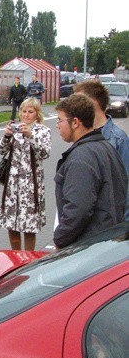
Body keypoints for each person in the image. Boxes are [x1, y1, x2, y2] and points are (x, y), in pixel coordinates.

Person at [54, 94, 127, 249]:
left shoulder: (81, 158)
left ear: (75, 122)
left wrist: (59, 239)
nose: (57, 125)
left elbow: (78, 209)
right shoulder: (107, 147)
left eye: (60, 120)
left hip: (87, 247)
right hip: (109, 241)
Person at [0, 98, 51, 251]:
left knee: (29, 225)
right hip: (13, 184)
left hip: (31, 184)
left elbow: (45, 153)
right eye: (24, 111)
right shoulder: (15, 130)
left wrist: (30, 136)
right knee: (11, 223)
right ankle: (15, 255)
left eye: (30, 112)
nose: (26, 115)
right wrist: (7, 136)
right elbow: (1, 150)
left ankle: (28, 258)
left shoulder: (42, 131)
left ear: (37, 114)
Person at [74, 79, 129, 220]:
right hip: (86, 216)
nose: (73, 106)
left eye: (78, 100)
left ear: (94, 103)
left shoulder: (118, 138)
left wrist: (123, 226)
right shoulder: (80, 133)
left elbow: (125, 185)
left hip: (108, 220)